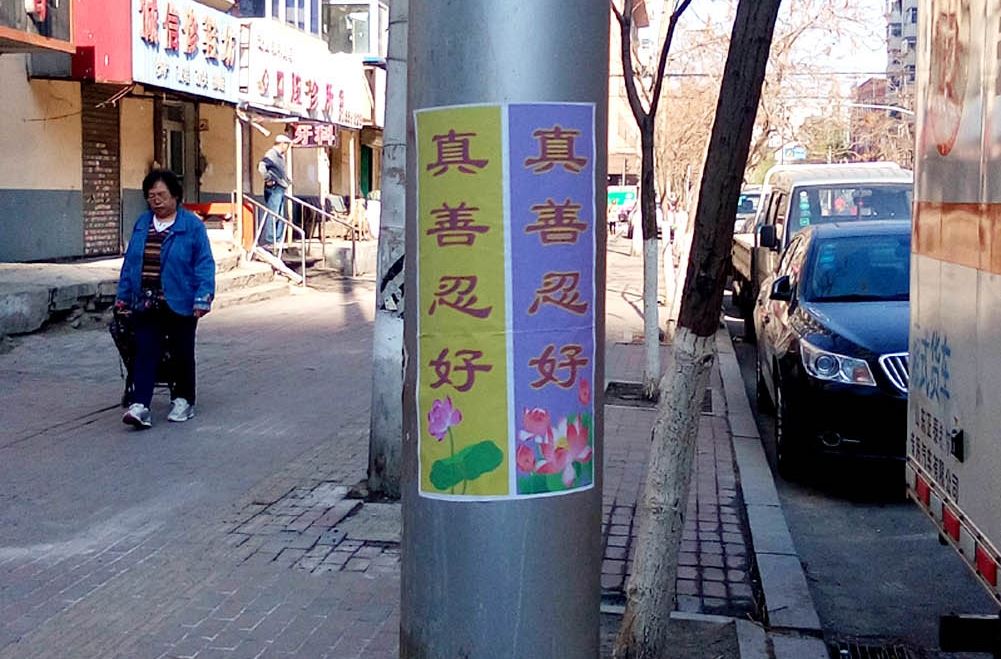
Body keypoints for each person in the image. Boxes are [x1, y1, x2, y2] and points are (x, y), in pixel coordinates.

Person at [115, 170, 215, 429]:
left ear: (175, 196)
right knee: (144, 352)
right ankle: (140, 405)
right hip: (145, 301)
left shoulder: (191, 226)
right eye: (151, 196)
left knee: (182, 353)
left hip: (180, 300)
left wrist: (202, 297)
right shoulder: (142, 223)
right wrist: (123, 297)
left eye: (161, 195)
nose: (156, 200)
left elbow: (204, 263)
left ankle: (183, 400)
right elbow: (130, 263)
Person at [258, 134, 293, 250]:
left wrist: (286, 180)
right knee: (274, 213)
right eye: (287, 144)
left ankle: (277, 239)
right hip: (274, 187)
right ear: (282, 144)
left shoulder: (280, 156)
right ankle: (270, 239)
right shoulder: (271, 154)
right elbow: (261, 166)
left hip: (281, 186)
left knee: (280, 214)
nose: (287, 147)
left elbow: (279, 171)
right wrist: (268, 179)